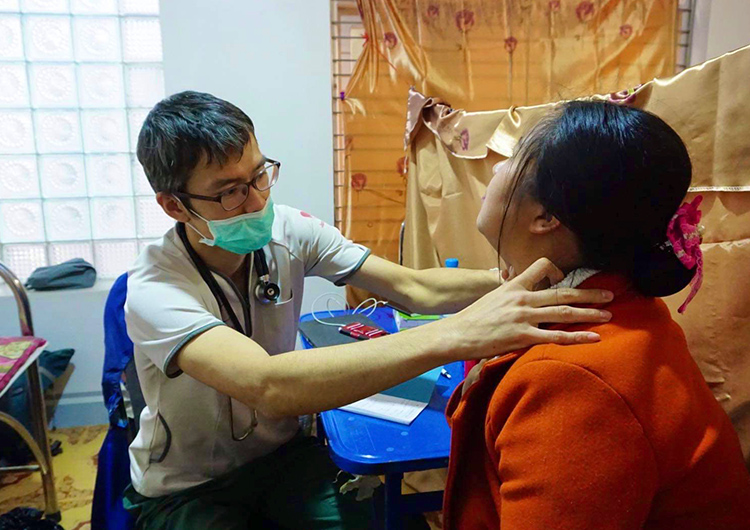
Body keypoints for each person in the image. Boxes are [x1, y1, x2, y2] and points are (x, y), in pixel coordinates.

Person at [121, 91, 614, 529]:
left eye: (259, 174)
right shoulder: (155, 289)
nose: (256, 200)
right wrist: (460, 332)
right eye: (230, 191)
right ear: (175, 206)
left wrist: (508, 283)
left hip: (282, 457)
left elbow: (414, 287)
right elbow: (268, 385)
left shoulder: (288, 231)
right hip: (188, 487)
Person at [443, 100, 750, 529]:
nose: (495, 171)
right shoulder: (626, 307)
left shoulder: (572, 381)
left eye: (512, 159)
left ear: (545, 217)